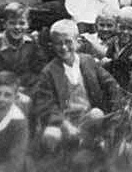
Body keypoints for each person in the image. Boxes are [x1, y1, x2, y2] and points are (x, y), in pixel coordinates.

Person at [32, 20, 121, 153]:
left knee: (96, 114)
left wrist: (116, 109)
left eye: (68, 42)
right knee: (51, 135)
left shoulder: (88, 61)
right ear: (52, 45)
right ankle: (62, 157)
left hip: (88, 118)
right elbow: (45, 104)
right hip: (64, 121)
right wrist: (63, 123)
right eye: (58, 43)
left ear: (77, 41)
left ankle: (89, 145)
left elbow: (111, 84)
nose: (63, 47)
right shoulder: (49, 71)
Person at [0, 2, 48, 113]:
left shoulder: (32, 44)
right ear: (5, 24)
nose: (17, 27)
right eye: (12, 23)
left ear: (28, 24)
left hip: (27, 92)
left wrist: (30, 89)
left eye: (22, 23)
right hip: (1, 95)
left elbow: (42, 71)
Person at [102, 6, 132, 88]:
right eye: (122, 27)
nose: (125, 32)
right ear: (116, 26)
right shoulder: (114, 42)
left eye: (130, 28)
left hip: (127, 85)